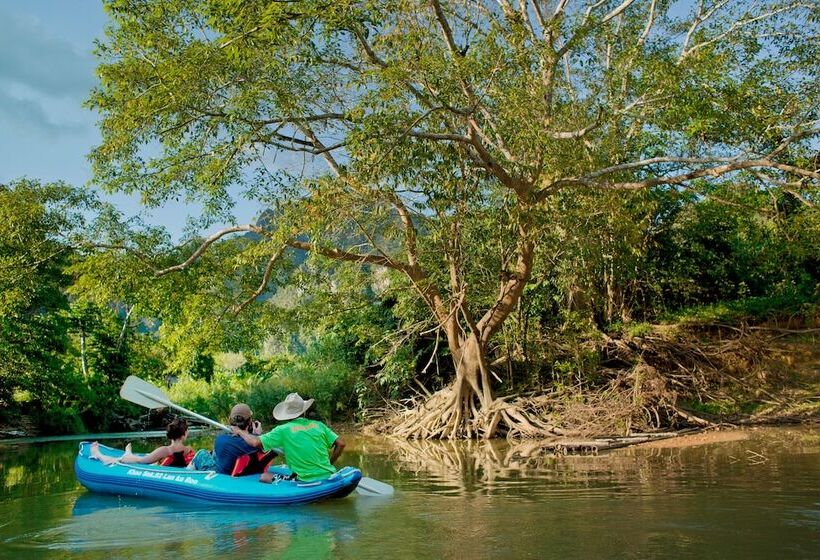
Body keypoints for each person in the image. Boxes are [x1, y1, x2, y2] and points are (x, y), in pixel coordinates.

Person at [232, 393, 345, 483]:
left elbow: (255, 442)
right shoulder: (319, 425)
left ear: (286, 413)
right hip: (328, 474)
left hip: (305, 480)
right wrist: (329, 464)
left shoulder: (283, 430)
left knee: (264, 476)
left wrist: (240, 431)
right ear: (304, 411)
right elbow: (341, 444)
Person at [197, 403, 278, 475]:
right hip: (240, 473)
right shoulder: (255, 444)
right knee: (212, 453)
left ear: (230, 420)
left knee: (202, 452)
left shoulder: (220, 439)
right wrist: (257, 435)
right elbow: (261, 446)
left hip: (222, 476)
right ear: (250, 421)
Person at [91, 417, 193, 466]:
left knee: (120, 459)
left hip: (156, 465)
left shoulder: (165, 450)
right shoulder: (189, 450)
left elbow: (141, 461)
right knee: (135, 458)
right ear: (184, 434)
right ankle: (128, 453)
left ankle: (99, 454)